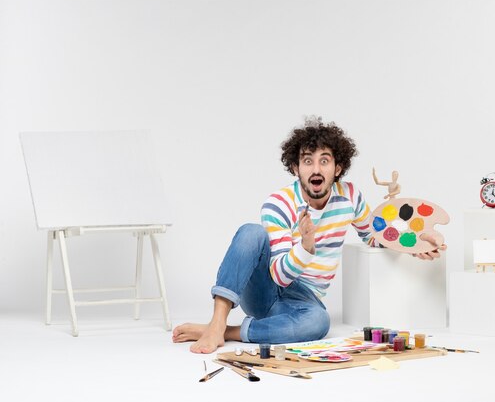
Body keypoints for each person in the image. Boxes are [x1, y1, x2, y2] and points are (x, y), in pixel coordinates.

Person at [172, 116, 446, 354]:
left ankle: (228, 332)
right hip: (265, 289)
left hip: (305, 299)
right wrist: (305, 246)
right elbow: (278, 275)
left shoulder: (350, 196)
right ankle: (217, 322)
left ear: (337, 169)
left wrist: (415, 244)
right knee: (251, 232)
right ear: (296, 168)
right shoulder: (278, 203)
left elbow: (372, 237)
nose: (316, 169)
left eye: (324, 161)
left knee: (319, 323)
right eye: (307, 161)